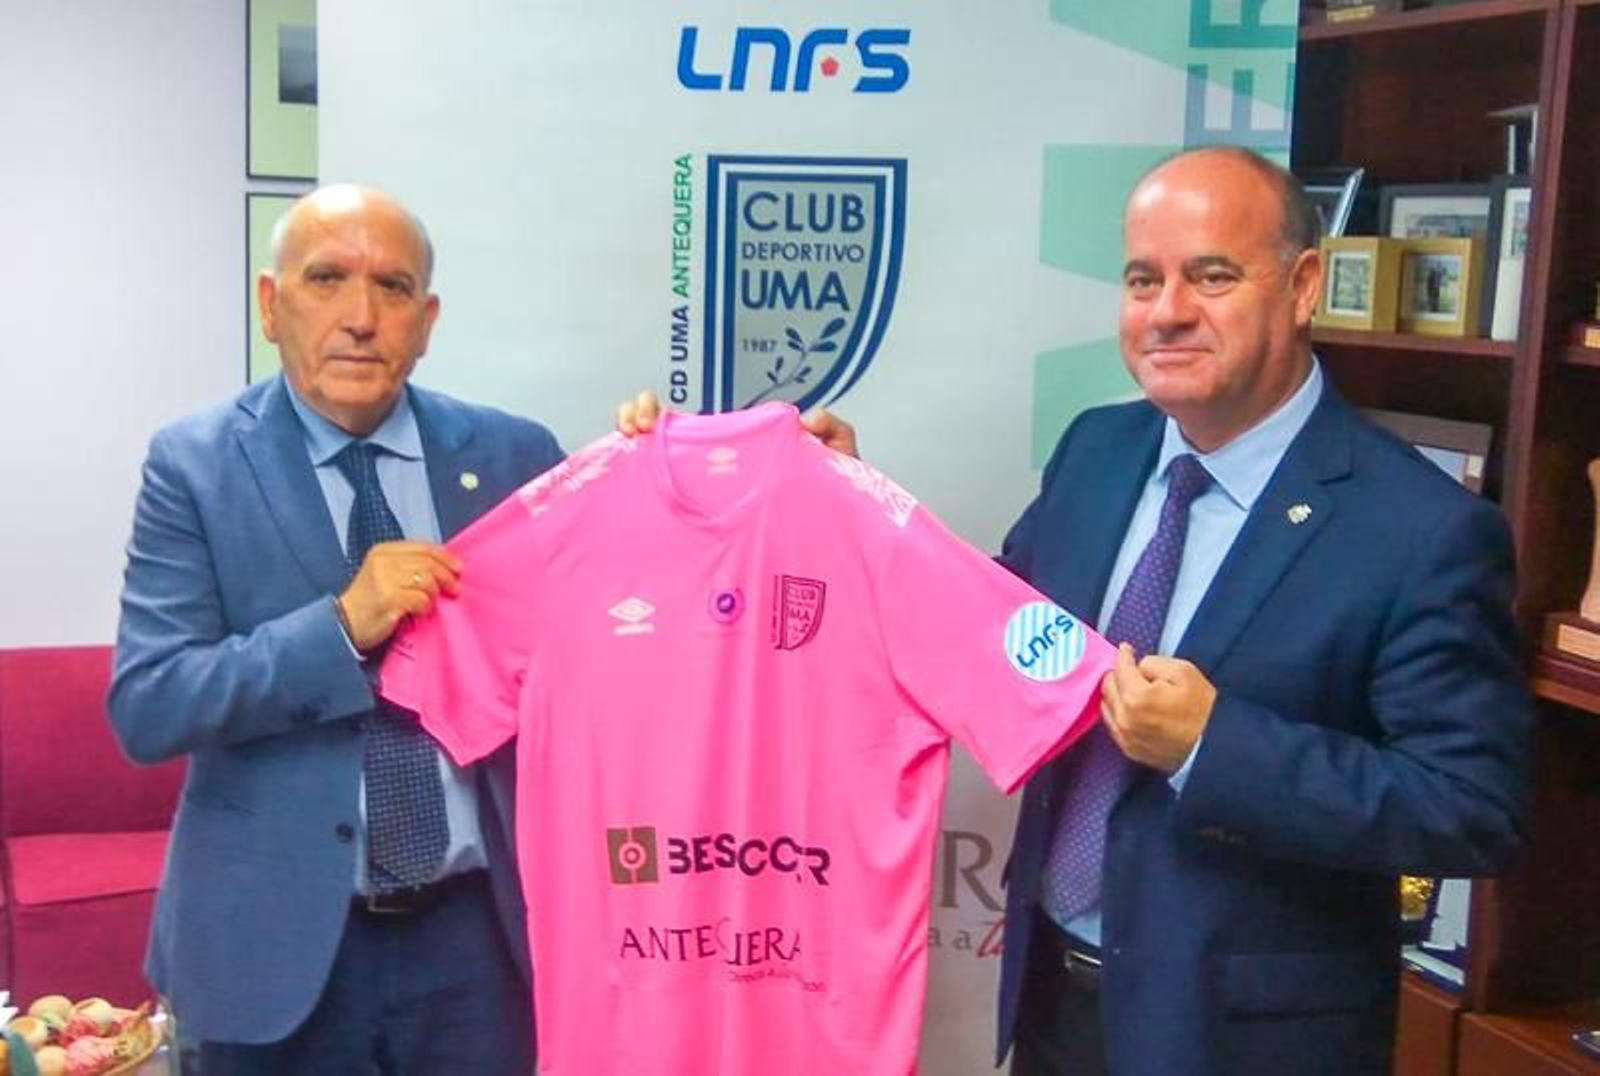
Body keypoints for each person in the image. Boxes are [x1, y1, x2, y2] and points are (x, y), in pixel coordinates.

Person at [618, 146, 1531, 1074]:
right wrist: (852, 508)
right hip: (1055, 1002)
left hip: (1242, 1041)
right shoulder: (1099, 449)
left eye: (1211, 276)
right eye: (1144, 279)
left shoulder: (1421, 530)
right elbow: (994, 630)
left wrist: (1214, 747)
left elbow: (1470, 809)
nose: (1168, 311)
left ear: (1302, 286)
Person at [109, 185, 562, 1074]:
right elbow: (149, 704)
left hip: (477, 946)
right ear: (272, 305)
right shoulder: (195, 466)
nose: (360, 317)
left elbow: (635, 614)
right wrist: (343, 627)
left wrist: (799, 492)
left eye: (392, 288)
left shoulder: (514, 459)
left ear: (425, 321)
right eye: (327, 279)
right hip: (268, 952)